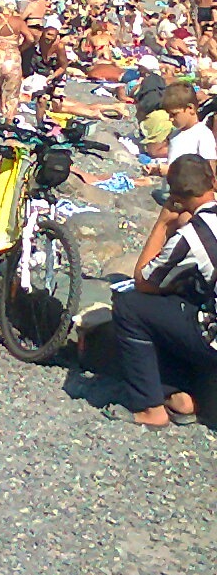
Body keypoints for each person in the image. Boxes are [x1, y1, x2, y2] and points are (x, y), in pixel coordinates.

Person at [109, 154, 217, 428]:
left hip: (212, 340)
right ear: (213, 182)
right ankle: (178, 395)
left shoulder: (192, 237)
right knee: (180, 302)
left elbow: (144, 280)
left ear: (176, 197)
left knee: (131, 306)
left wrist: (163, 224)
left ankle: (151, 408)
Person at [143, 84, 217, 180]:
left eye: (174, 114)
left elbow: (209, 172)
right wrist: (156, 169)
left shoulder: (203, 134)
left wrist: (171, 171)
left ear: (191, 108)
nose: (170, 119)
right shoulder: (175, 134)